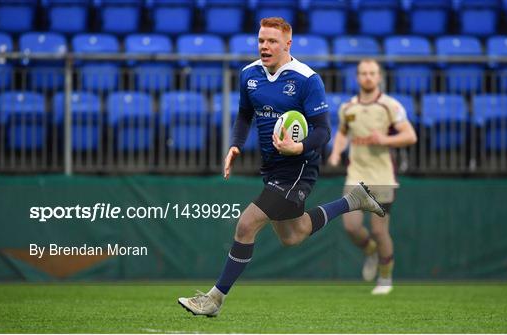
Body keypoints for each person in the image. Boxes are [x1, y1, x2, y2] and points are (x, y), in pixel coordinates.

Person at [178, 18, 385, 317]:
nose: (265, 46)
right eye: (261, 40)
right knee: (294, 235)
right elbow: (244, 114)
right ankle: (354, 200)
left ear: (288, 44)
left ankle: (214, 299)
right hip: (272, 168)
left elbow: (322, 131)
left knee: (246, 224)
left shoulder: (306, 79)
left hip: (299, 167)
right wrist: (235, 144)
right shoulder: (249, 74)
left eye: (272, 41)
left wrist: (298, 147)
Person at [328, 59, 417, 295]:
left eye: (372, 73)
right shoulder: (347, 108)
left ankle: (385, 278)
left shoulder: (390, 106)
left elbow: (410, 136)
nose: (368, 77)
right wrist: (336, 152)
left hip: (382, 176)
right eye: (363, 73)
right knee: (351, 226)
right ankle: (370, 251)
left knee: (379, 230)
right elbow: (342, 134)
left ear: (379, 77)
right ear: (357, 77)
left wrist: (385, 140)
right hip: (356, 175)